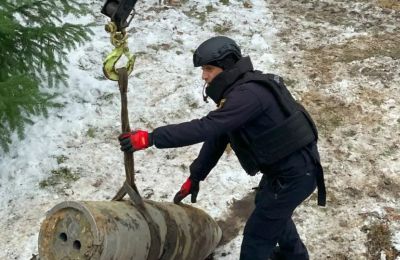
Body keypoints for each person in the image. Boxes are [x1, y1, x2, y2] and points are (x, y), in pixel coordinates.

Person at [118, 36, 326, 260]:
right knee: (270, 210)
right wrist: (195, 176)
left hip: (296, 174)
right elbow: (219, 136)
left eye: (209, 69)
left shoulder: (248, 96)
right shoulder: (239, 92)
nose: (204, 76)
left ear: (226, 67)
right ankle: (293, 255)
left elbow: (206, 128)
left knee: (258, 234)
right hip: (288, 170)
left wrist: (150, 138)